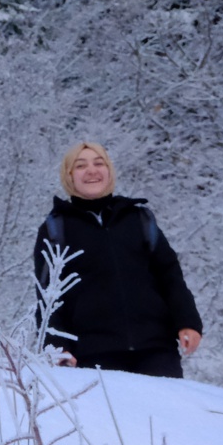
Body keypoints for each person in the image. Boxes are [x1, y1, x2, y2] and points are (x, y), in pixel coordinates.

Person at [35, 142, 203, 378]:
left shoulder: (139, 218)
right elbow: (48, 296)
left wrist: (188, 322)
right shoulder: (55, 228)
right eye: (80, 166)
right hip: (92, 356)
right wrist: (57, 346)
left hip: (156, 351)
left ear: (109, 171)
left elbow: (170, 275)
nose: (92, 170)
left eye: (99, 163)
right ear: (69, 176)